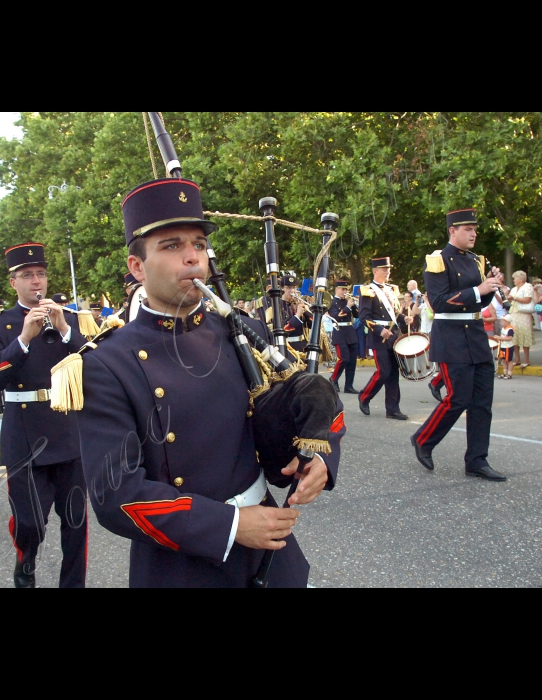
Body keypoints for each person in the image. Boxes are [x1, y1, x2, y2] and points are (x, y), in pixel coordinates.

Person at [75, 177, 345, 588]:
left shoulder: (242, 332)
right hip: (182, 562)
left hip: (270, 546)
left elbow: (301, 407)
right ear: (136, 266)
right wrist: (231, 525)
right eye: (172, 246)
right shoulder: (107, 363)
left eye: (198, 245)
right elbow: (116, 496)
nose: (192, 259)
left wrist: (320, 457)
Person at [0, 242, 89, 589]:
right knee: (30, 522)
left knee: (76, 522)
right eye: (27, 276)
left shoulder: (70, 318)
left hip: (68, 430)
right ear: (14, 283)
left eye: (40, 274)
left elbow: (95, 364)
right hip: (25, 435)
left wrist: (66, 330)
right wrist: (25, 337)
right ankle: (25, 561)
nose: (35, 281)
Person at [411, 208, 507, 482]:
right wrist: (479, 289)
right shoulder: (438, 260)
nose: (474, 233)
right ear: (453, 231)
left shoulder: (475, 261)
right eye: (468, 229)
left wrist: (490, 286)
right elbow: (439, 301)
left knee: (482, 403)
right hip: (452, 336)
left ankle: (477, 460)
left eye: (475, 229)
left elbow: (478, 303)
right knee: (458, 398)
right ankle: (423, 439)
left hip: (475, 335)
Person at [358, 257, 414, 420]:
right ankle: (364, 396)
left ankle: (393, 409)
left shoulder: (391, 289)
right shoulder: (368, 291)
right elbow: (364, 317)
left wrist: (405, 319)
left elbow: (395, 314)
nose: (388, 272)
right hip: (379, 337)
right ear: (375, 271)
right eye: (384, 269)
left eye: (388, 269)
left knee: (393, 373)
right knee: (383, 371)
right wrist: (380, 330)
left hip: (393, 335)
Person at [328, 281, 359, 394]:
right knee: (344, 359)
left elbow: (358, 315)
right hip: (339, 332)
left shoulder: (348, 301)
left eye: (346, 289)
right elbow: (336, 317)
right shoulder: (331, 302)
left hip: (350, 332)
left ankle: (349, 385)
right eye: (342, 289)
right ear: (336, 289)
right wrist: (348, 306)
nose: (345, 292)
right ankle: (333, 379)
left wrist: (354, 304)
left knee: (352, 361)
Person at [506, 271, 536, 369]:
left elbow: (528, 299)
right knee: (515, 336)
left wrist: (514, 298)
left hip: (524, 314)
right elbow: (510, 299)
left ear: (521, 279)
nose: (514, 280)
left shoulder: (528, 286)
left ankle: (527, 360)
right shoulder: (514, 289)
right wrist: (509, 297)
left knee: (525, 336)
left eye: (515, 278)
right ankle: (517, 359)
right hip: (514, 314)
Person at [493, 314, 516, 380]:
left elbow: (510, 338)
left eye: (503, 322)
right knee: (503, 360)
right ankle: (505, 372)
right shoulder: (503, 329)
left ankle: (509, 373)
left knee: (509, 360)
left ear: (507, 322)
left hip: (508, 347)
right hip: (503, 346)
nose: (501, 323)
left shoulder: (510, 329)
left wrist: (499, 338)